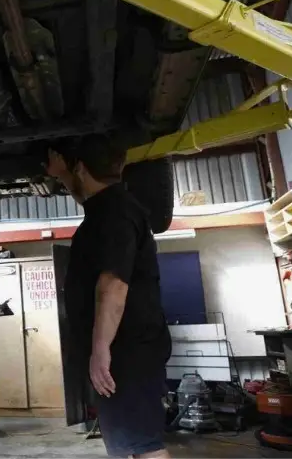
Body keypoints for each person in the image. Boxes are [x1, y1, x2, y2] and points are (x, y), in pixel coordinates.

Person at [45, 135, 172, 459]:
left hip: (125, 354)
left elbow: (113, 285)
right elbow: (87, 195)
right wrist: (64, 175)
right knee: (132, 444)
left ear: (82, 168)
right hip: (127, 352)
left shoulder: (115, 214)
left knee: (145, 447)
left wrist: (100, 350)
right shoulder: (111, 206)